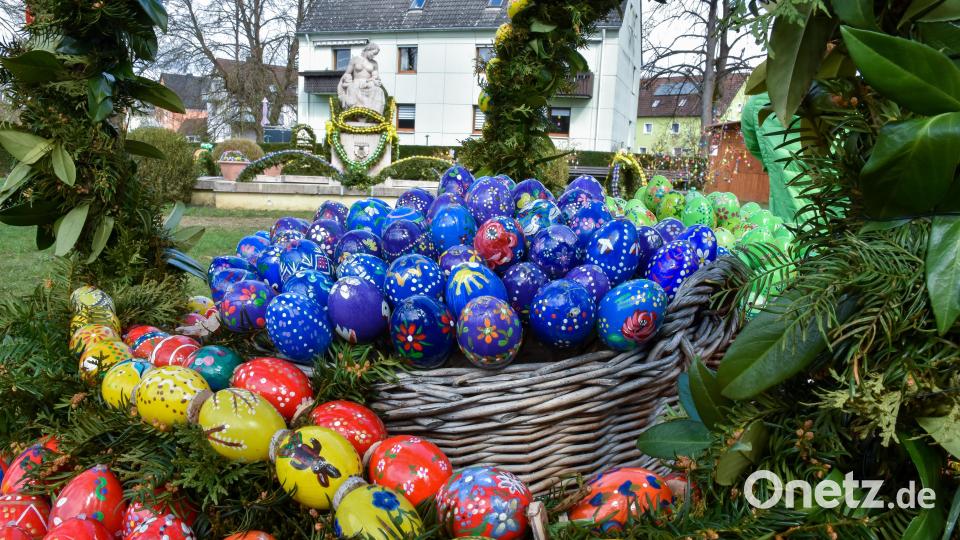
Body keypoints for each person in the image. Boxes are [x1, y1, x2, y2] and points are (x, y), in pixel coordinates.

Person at [338, 43, 386, 114]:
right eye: (373, 53)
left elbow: (375, 77)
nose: (374, 56)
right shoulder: (355, 59)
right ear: (368, 50)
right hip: (356, 83)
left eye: (376, 54)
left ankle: (373, 113)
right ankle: (356, 112)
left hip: (368, 83)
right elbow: (347, 73)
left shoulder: (374, 63)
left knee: (379, 91)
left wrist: (373, 81)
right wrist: (340, 87)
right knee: (353, 89)